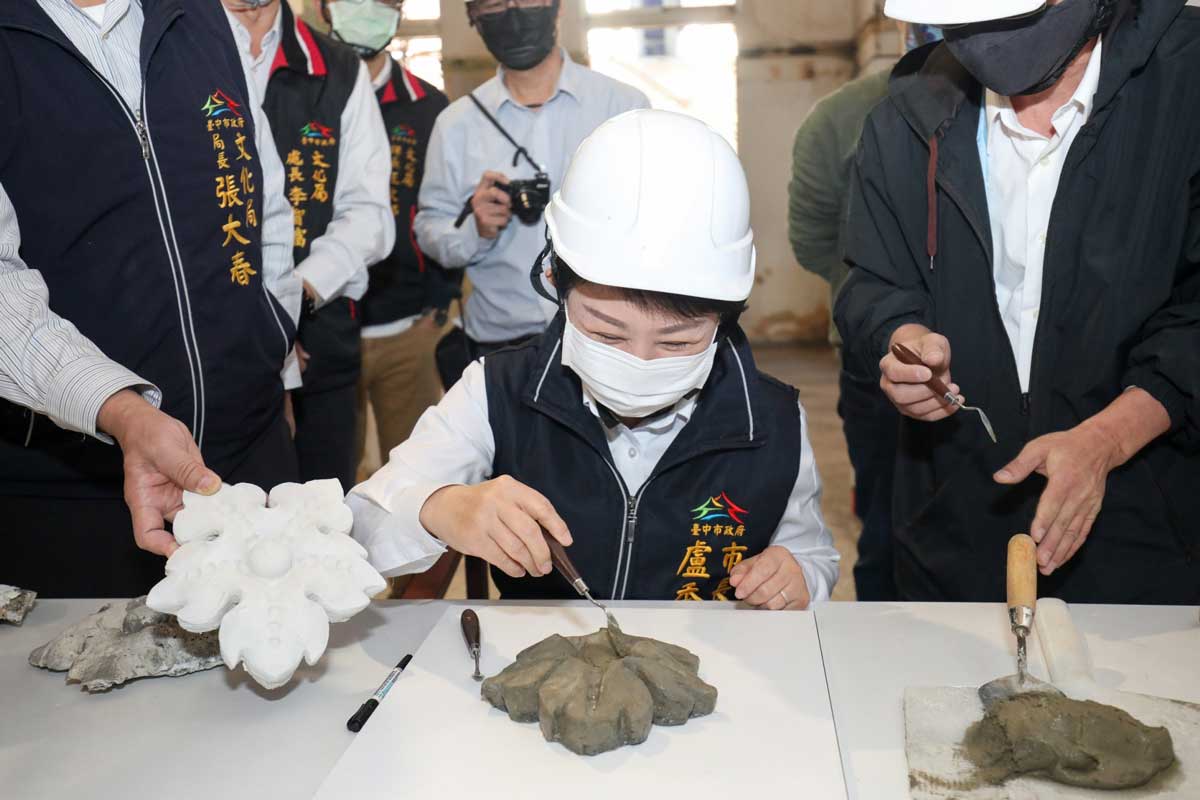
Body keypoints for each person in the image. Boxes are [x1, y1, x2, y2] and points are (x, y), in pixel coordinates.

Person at [349, 110, 840, 608]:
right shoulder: (500, 390)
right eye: (606, 333)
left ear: (726, 317)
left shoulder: (772, 420)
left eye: (677, 344)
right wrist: (439, 507)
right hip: (544, 661)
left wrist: (799, 575)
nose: (640, 363)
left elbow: (813, 552)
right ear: (554, 285)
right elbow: (363, 523)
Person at [836, 0, 1200, 603]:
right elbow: (874, 281)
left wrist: (1108, 439)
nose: (986, 42)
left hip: (1149, 529)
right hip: (952, 519)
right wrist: (902, 338)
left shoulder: (1183, 86)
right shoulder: (909, 112)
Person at [0, 0, 301, 597]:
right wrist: (119, 407)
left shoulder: (203, 17)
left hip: (251, 457)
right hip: (76, 489)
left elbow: (260, 196)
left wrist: (273, 339)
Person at [415, 0, 649, 389]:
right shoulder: (456, 125)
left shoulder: (622, 108)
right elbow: (430, 229)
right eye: (494, 4)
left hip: (607, 337)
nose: (513, 13)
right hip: (499, 341)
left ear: (558, 8)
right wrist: (476, 229)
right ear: (474, 18)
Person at [788, 21, 942, 601]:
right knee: (884, 516)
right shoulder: (840, 120)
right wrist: (878, 303)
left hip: (987, 364)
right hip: (876, 361)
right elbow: (810, 237)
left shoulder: (1014, 108)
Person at [222, 0, 394, 493]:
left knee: (322, 529)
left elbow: (369, 214)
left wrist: (291, 298)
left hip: (319, 344)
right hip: (205, 349)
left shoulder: (336, 67)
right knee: (218, 539)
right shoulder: (173, 47)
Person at [313, 0, 459, 471]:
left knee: (416, 479)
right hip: (323, 328)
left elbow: (444, 209)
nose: (369, 8)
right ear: (324, 7)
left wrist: (439, 306)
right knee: (327, 483)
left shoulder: (428, 105)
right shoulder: (302, 90)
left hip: (407, 330)